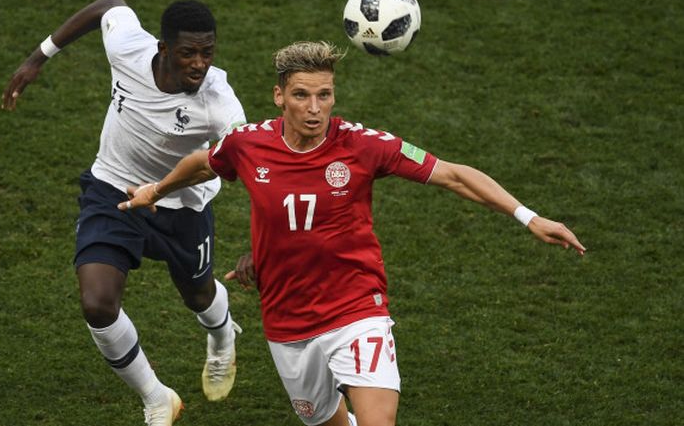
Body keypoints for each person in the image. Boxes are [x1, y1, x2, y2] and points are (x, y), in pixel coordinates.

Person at [118, 41, 586, 426]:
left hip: (356, 307)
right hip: (286, 320)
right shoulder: (248, 144)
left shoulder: (362, 146)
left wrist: (528, 216)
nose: (314, 108)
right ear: (279, 96)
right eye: (302, 95)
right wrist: (156, 189)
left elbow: (453, 175)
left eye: (324, 95)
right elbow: (204, 163)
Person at [1, 0, 246, 426]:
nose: (199, 64)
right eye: (188, 52)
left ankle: (222, 334)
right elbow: (109, 3)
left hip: (182, 209)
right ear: (163, 48)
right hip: (112, 188)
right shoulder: (129, 48)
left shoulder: (218, 101)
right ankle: (156, 398)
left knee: (198, 295)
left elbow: (238, 163)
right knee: (97, 303)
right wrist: (39, 57)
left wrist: (161, 188)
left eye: (207, 53)